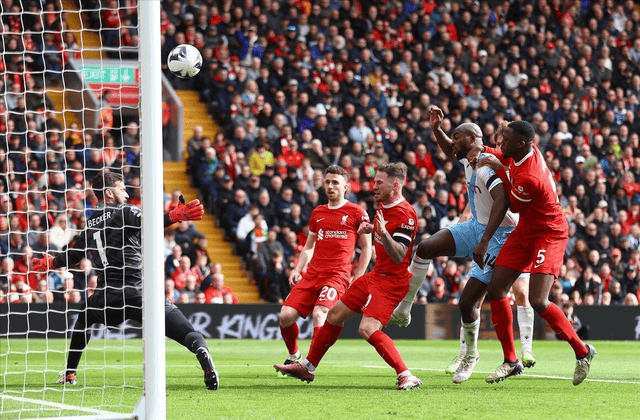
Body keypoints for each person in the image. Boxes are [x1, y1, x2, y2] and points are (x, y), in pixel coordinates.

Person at [31, 172, 219, 390]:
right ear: (109, 193)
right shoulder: (126, 211)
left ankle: (70, 373)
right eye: (122, 189)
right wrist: (175, 215)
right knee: (186, 331)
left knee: (83, 318)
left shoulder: (90, 223)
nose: (127, 194)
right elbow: (150, 222)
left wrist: (52, 263)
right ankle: (200, 350)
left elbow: (74, 255)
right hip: (140, 292)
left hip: (107, 296)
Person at [388, 109, 536, 383]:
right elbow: (449, 150)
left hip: (500, 234)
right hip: (477, 225)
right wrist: (436, 129)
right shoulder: (469, 158)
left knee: (468, 302)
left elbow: (502, 201)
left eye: (456, 138)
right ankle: (406, 307)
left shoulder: (484, 166)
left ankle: (472, 356)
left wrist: (483, 241)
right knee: (424, 248)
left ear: (471, 138)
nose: (452, 144)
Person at [275, 163, 423, 390]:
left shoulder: (405, 213)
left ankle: (406, 374)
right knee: (334, 315)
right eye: (374, 182)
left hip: (391, 281)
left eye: (379, 183)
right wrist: (373, 229)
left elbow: (400, 254)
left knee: (367, 328)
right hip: (375, 276)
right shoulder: (382, 206)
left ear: (395, 185)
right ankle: (308, 367)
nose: (374, 186)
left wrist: (381, 232)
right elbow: (383, 231)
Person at [477, 121, 596, 385]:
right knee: (496, 290)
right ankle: (510, 360)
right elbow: (504, 158)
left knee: (539, 300)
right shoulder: (524, 151)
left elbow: (513, 205)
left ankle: (583, 351)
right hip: (527, 231)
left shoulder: (529, 177)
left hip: (549, 234)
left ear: (521, 143)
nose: (501, 143)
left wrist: (499, 167)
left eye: (505, 139)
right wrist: (482, 149)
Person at [277, 165, 372, 364]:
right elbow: (308, 247)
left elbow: (366, 249)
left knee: (320, 313)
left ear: (345, 186)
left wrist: (358, 277)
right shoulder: (317, 212)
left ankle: (309, 363)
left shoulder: (357, 212)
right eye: (327, 182)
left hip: (337, 275)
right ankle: (294, 355)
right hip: (312, 274)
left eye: (335, 183)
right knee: (285, 315)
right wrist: (297, 269)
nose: (330, 186)